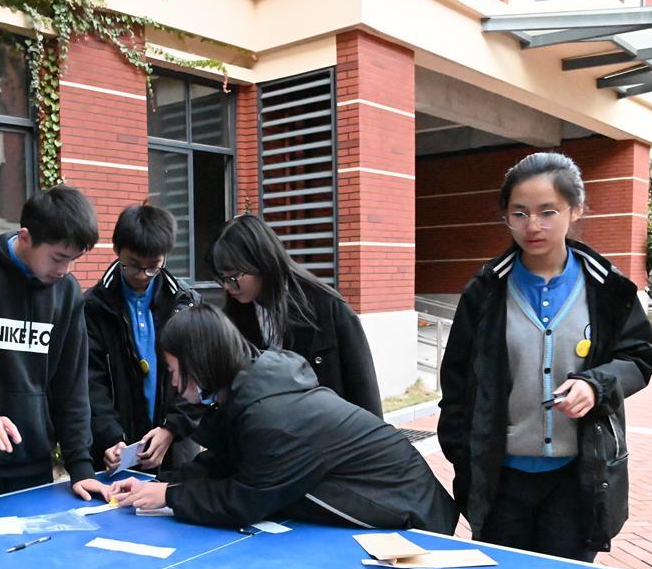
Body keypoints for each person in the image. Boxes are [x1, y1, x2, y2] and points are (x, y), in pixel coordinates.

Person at [437, 152, 652, 569]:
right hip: (502, 478)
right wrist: (464, 462)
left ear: (575, 211)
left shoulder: (608, 288)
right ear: (505, 216)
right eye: (518, 212)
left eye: (547, 211)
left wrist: (599, 383)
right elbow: (457, 387)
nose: (532, 225)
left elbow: (641, 357)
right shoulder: (485, 290)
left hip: (574, 477)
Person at [108, 304, 458, 533]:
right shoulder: (249, 390)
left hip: (407, 514)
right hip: (390, 501)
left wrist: (169, 496)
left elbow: (247, 499)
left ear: (199, 363)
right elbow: (229, 461)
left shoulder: (271, 417)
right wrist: (158, 484)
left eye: (173, 370)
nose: (172, 382)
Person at [0, 184, 111, 505]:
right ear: (26, 237)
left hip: (32, 461)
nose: (64, 270)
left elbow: (70, 386)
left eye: (73, 260)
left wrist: (81, 466)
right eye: (58, 258)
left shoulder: (67, 292)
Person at [213, 214, 382, 416]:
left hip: (323, 429)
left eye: (233, 277)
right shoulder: (232, 318)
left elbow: (363, 391)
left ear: (262, 262)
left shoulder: (327, 308)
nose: (227, 286)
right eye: (222, 278)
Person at [84, 204, 200, 473]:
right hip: (117, 451)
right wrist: (111, 437)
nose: (142, 276)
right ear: (117, 250)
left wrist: (172, 428)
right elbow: (91, 382)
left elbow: (199, 375)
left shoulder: (186, 303)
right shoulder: (92, 307)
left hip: (176, 448)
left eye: (153, 267)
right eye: (133, 265)